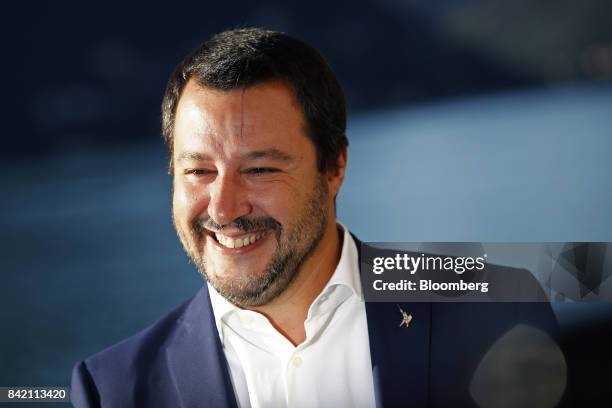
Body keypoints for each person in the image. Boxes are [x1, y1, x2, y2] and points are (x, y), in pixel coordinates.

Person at [71, 28, 566, 408]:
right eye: (198, 170)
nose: (223, 208)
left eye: (260, 169)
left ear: (334, 167)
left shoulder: (498, 310)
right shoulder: (110, 390)